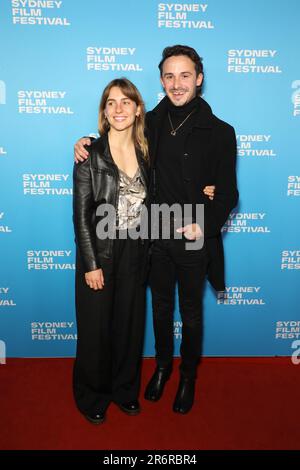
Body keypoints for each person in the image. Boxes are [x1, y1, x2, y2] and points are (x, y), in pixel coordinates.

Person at [75, 44, 236, 416]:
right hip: (154, 236)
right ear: (161, 81)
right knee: (160, 309)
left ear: (199, 79)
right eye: (169, 76)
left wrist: (206, 224)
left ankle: (189, 376)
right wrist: (83, 142)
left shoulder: (221, 132)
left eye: (184, 75)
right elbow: (113, 136)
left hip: (194, 238)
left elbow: (228, 192)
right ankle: (162, 367)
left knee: (191, 312)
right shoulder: (150, 122)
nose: (177, 84)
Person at [73, 78, 149, 425]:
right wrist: (91, 263)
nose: (118, 109)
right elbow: (81, 215)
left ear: (137, 109)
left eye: (126, 102)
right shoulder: (89, 153)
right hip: (100, 251)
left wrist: (210, 188)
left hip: (136, 249)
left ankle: (124, 390)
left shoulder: (149, 151)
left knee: (129, 325)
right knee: (96, 328)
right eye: (111, 103)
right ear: (104, 111)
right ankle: (93, 395)